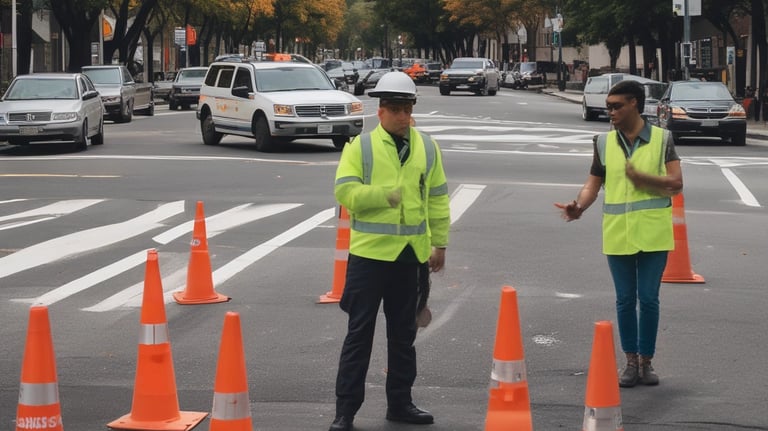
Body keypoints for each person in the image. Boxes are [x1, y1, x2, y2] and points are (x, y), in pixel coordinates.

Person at [329, 71, 451, 431]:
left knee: (403, 336)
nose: (401, 116)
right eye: (395, 109)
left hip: (410, 257)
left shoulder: (427, 147)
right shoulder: (361, 147)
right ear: (380, 111)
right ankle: (345, 412)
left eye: (407, 109)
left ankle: (401, 403)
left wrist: (440, 244)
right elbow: (345, 193)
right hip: (369, 258)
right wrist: (384, 195)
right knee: (359, 335)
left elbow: (438, 199)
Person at [554, 80, 683, 388]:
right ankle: (630, 362)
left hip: (653, 233)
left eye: (616, 106)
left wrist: (643, 178)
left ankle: (646, 362)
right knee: (625, 300)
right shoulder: (602, 142)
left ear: (635, 104)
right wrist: (579, 206)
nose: (609, 111)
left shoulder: (662, 138)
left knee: (649, 299)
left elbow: (676, 183)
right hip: (617, 234)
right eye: (608, 106)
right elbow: (593, 184)